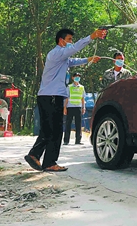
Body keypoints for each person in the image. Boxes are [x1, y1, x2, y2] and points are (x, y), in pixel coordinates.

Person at [24, 27, 106, 172]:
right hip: (52, 97)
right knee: (55, 130)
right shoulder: (56, 53)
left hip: (48, 96)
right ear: (61, 40)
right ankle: (46, 161)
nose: (71, 42)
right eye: (69, 39)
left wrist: (89, 59)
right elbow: (74, 49)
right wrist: (92, 36)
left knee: (48, 129)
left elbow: (73, 61)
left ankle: (36, 156)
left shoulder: (61, 58)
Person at [64, 72, 86, 145]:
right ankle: (66, 140)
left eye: (78, 77)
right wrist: (65, 108)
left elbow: (83, 98)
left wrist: (83, 107)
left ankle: (78, 140)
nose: (77, 78)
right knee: (68, 124)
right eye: (76, 76)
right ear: (72, 78)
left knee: (78, 124)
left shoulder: (82, 87)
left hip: (78, 107)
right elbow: (66, 98)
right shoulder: (69, 87)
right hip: (70, 107)